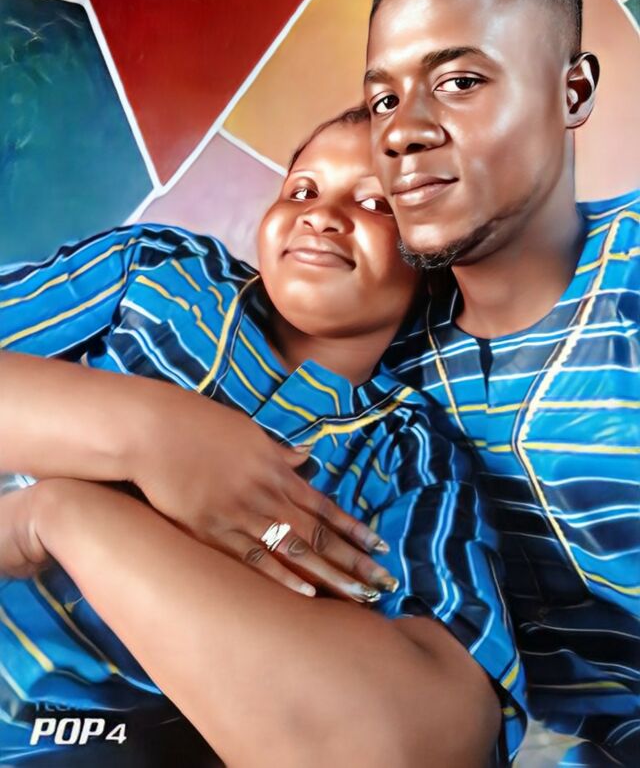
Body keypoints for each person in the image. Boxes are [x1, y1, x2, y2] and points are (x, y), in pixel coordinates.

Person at [0, 109, 523, 766]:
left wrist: (58, 516)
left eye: (376, 204)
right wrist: (147, 430)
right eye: (302, 189)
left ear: (438, 257)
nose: (321, 215)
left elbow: (431, 741)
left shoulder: (411, 460)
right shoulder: (158, 274)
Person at [363, 0, 639, 764]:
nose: (402, 131)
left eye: (459, 82)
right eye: (383, 99)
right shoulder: (375, 359)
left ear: (573, 92)